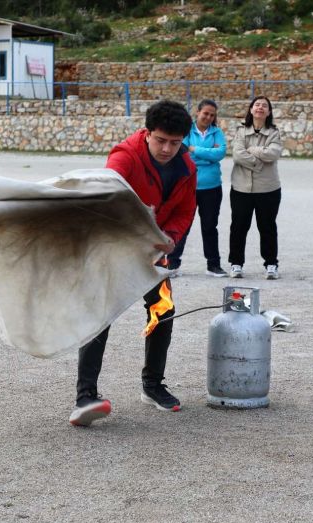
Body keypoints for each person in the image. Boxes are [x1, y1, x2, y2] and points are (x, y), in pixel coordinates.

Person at [69, 100, 196, 427]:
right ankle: (86, 397)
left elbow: (185, 210)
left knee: (163, 312)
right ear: (147, 132)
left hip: (151, 254)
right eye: (161, 140)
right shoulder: (124, 156)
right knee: (100, 317)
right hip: (110, 249)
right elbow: (106, 195)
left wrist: (170, 235)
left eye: (175, 142)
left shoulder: (187, 167)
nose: (167, 149)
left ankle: (152, 386)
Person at [166, 99, 228, 278]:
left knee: (210, 226)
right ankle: (172, 262)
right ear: (198, 112)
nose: (208, 117)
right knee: (182, 226)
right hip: (188, 186)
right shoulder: (186, 130)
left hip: (212, 187)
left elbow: (220, 154)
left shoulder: (217, 133)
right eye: (205, 113)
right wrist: (207, 154)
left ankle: (213, 265)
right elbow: (182, 151)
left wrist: (195, 150)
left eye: (212, 114)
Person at [228, 95, 283, 280]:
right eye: (257, 104)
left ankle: (271, 264)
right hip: (241, 188)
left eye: (264, 106)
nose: (260, 108)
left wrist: (252, 150)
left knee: (267, 227)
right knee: (238, 227)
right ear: (251, 109)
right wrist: (259, 162)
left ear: (269, 112)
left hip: (268, 189)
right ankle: (236, 263)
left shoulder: (274, 132)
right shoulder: (240, 131)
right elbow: (237, 155)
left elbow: (274, 153)